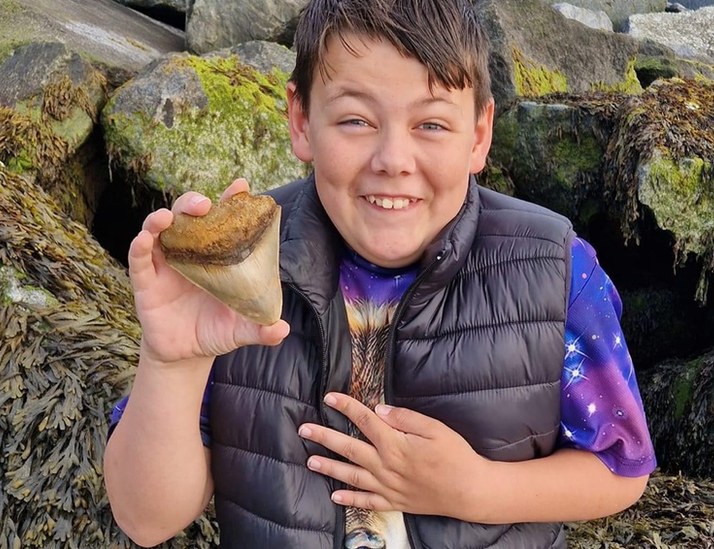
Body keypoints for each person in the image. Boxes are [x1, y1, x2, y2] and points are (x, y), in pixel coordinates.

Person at [103, 0, 657, 547]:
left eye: (432, 123)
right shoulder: (238, 271)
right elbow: (147, 520)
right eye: (356, 120)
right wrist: (171, 362)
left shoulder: (556, 269)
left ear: (480, 133)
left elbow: (620, 467)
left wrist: (476, 490)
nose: (393, 158)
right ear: (301, 121)